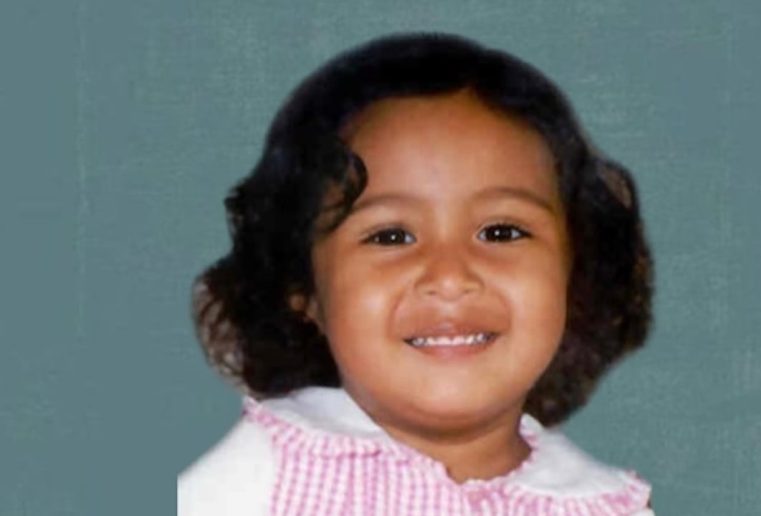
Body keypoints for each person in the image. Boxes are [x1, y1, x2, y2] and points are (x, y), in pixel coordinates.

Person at [178, 32, 655, 515]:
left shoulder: (610, 507)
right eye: (391, 236)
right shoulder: (252, 476)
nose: (449, 278)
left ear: (574, 270)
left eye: (501, 232)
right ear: (303, 287)